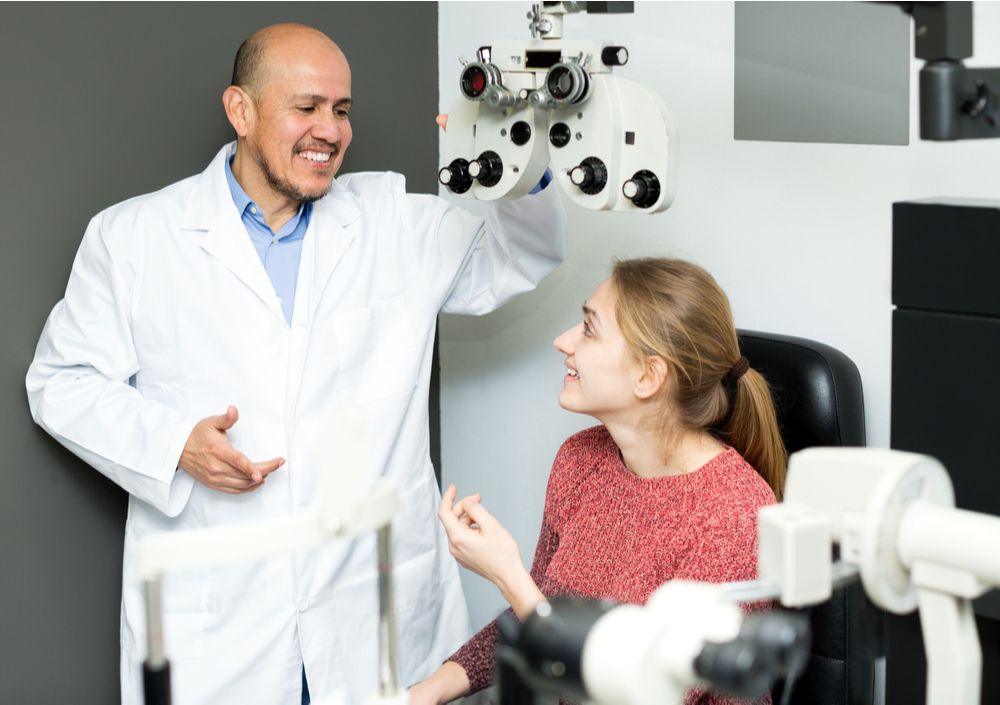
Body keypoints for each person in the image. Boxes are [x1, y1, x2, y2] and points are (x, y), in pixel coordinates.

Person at [25, 22, 564, 705]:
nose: (330, 130)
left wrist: (523, 147)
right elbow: (60, 382)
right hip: (224, 624)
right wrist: (173, 444)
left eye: (340, 110)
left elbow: (521, 252)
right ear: (241, 111)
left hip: (376, 610)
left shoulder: (391, 222)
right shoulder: (134, 238)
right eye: (306, 107)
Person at [409, 258, 787, 705]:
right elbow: (538, 609)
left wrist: (506, 573)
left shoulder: (733, 520)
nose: (563, 341)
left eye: (588, 329)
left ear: (649, 376)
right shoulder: (580, 459)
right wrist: (424, 693)